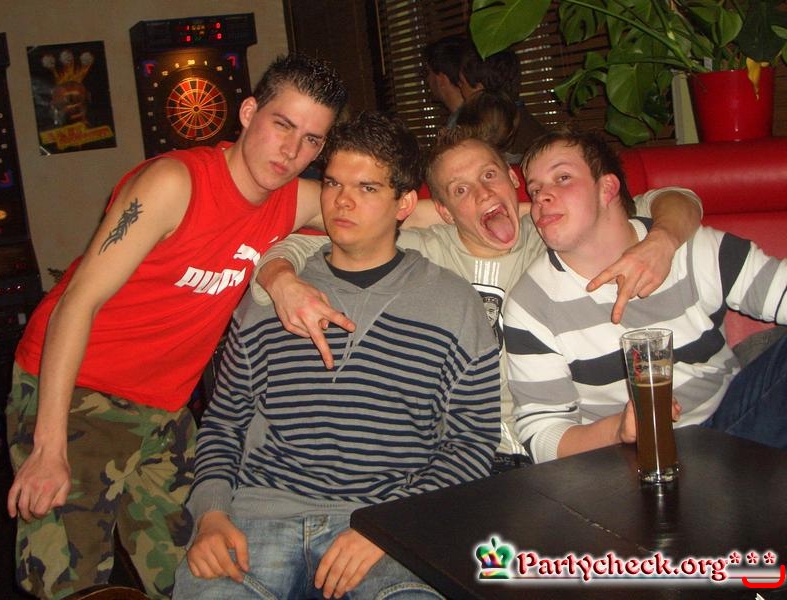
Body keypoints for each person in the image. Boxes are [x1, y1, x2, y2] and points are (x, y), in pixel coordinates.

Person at [4, 53, 348, 600]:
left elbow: (392, 210)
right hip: (76, 390)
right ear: (249, 112)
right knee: (67, 583)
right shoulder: (173, 183)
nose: (291, 151)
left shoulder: (292, 200)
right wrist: (48, 447)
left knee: (198, 573)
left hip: (165, 408)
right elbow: (77, 302)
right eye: (283, 125)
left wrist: (492, 203)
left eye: (311, 140)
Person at [172, 111, 501, 599]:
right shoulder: (271, 296)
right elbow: (225, 422)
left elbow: (472, 441)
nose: (342, 201)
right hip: (257, 520)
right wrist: (212, 514)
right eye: (332, 183)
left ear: (404, 203)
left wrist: (391, 525)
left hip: (386, 528)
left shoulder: (453, 304)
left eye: (367, 188)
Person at [254, 127, 703, 473]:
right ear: (444, 212)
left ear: (512, 179)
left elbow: (672, 199)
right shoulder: (426, 251)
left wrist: (662, 240)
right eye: (460, 190)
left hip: (555, 448)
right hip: (459, 455)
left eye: (489, 176)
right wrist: (281, 280)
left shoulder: (555, 231)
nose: (484, 193)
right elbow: (314, 246)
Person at [505, 127, 787, 464]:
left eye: (562, 178)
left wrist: (666, 241)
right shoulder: (531, 304)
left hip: (732, 426)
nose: (541, 198)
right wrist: (618, 430)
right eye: (535, 189)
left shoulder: (692, 248)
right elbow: (542, 436)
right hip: (626, 463)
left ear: (607, 188)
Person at [457, 46, 546, 154]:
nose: (459, 87)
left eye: (462, 83)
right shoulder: (529, 128)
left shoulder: (494, 142)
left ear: (480, 91)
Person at [422, 35, 468, 127]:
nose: (427, 80)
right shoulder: (479, 116)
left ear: (441, 79)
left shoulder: (462, 126)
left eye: (428, 73)